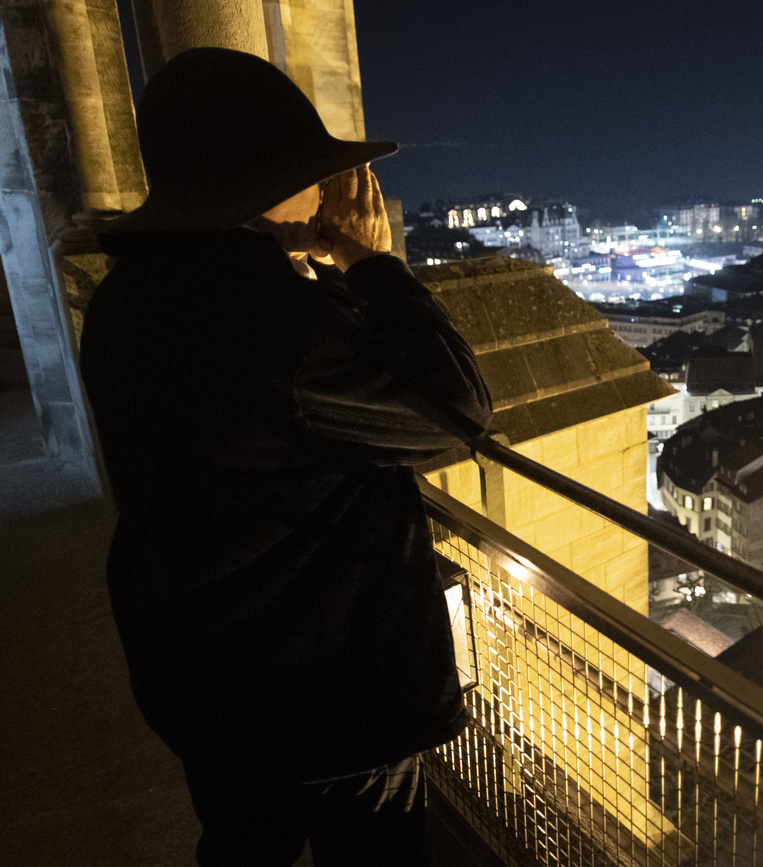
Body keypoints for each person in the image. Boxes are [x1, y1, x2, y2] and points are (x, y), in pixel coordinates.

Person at [79, 47, 493, 865]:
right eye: (316, 172)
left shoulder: (128, 299)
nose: (334, 193)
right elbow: (454, 409)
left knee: (242, 845)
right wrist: (373, 264)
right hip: (331, 689)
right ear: (264, 188)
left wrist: (308, 268)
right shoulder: (273, 325)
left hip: (200, 669)